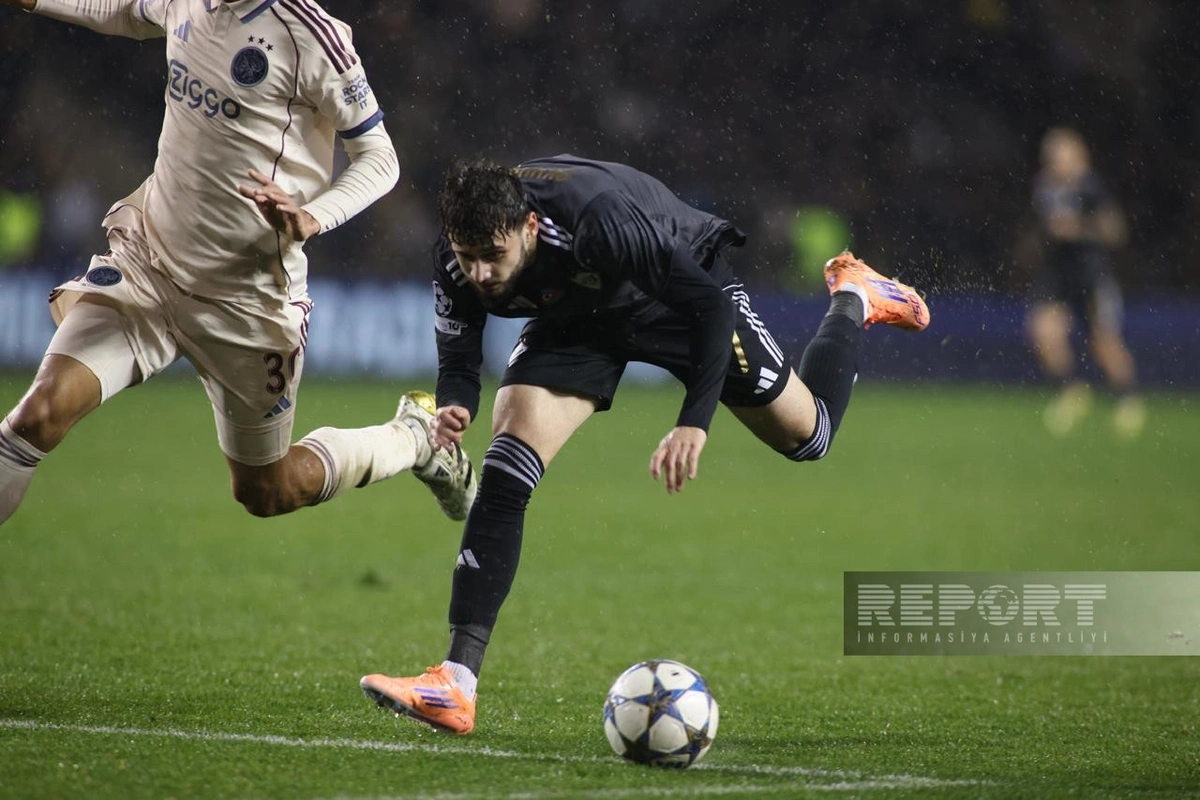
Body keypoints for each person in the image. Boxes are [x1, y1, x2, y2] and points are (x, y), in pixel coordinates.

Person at [360, 155, 929, 734]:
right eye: (468, 257)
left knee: (810, 437)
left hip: (679, 300)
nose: (480, 273)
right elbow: (459, 357)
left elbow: (708, 307)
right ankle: (455, 683)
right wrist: (457, 404)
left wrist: (693, 422)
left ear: (529, 227)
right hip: (577, 319)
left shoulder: (598, 224)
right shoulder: (456, 256)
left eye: (493, 256)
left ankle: (855, 294)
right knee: (506, 470)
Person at [0, 0, 477, 527]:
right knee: (37, 416)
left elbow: (380, 158)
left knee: (267, 491)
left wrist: (314, 216)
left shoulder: (311, 35)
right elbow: (127, 10)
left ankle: (411, 439)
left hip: (248, 300)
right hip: (149, 266)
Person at [1027, 127, 1144, 439]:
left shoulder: (1091, 188)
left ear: (1078, 157)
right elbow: (1042, 227)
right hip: (1058, 275)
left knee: (1103, 342)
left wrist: (1078, 229)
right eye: (1050, 156)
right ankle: (1071, 391)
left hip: (1091, 274)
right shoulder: (1044, 188)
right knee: (1043, 331)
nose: (1053, 161)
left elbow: (1115, 231)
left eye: (1059, 155)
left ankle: (1127, 399)